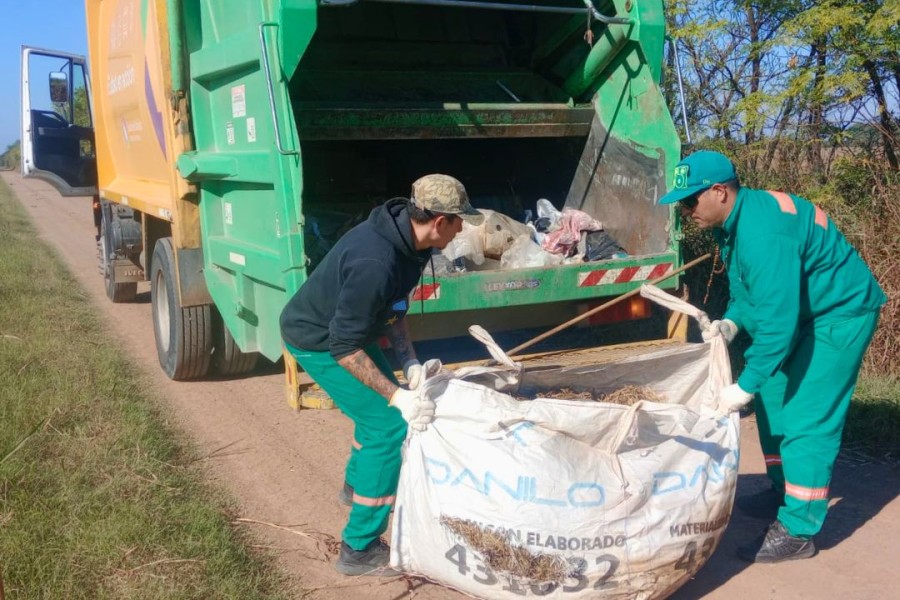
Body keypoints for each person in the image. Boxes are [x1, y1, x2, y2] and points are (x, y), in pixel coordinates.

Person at [659, 151, 886, 564]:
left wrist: (742, 386)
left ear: (719, 192)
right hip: (802, 311)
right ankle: (784, 489)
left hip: (838, 315)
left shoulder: (761, 233)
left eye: (690, 200)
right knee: (773, 399)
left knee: (806, 417)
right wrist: (731, 322)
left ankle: (799, 529)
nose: (684, 209)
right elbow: (751, 292)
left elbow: (777, 324)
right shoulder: (732, 224)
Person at [280, 174, 483, 576]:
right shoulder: (376, 259)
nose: (463, 229)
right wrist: (398, 398)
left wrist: (409, 363)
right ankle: (359, 547)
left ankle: (357, 486)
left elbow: (394, 308)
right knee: (388, 427)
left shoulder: (413, 241)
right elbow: (343, 348)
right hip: (319, 341)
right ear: (439, 221)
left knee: (376, 415)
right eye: (460, 221)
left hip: (348, 333)